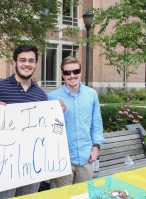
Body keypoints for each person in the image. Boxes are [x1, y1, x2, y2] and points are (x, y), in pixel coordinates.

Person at [0, 44, 64, 199]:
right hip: (2, 169)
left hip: (31, 168)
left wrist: (57, 113)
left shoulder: (41, 95)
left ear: (35, 64)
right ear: (14, 62)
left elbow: (46, 131)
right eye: (23, 60)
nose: (27, 64)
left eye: (31, 60)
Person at [47, 56, 106, 188]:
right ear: (63, 75)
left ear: (81, 72)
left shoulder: (92, 94)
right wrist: (56, 113)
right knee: (60, 197)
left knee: (83, 195)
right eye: (67, 72)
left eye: (75, 71)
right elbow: (47, 129)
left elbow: (97, 123)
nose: (72, 75)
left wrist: (96, 147)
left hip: (86, 157)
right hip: (62, 159)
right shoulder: (52, 97)